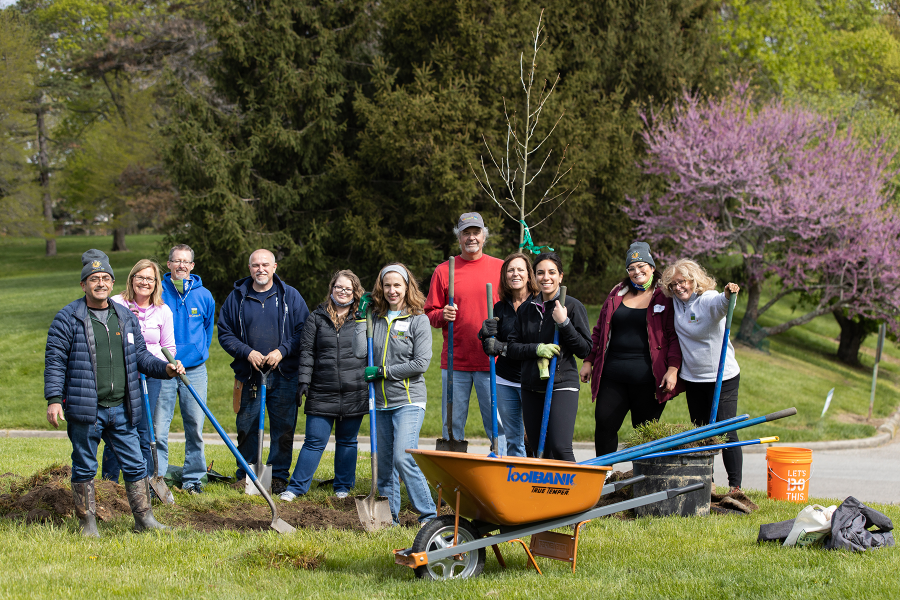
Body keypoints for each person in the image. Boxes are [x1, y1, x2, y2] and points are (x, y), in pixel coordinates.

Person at [44, 249, 185, 537]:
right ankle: (88, 523)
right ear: (83, 284)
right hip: (86, 408)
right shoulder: (67, 318)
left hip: (122, 407)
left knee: (135, 463)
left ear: (112, 283)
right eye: (94, 278)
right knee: (84, 465)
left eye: (106, 278)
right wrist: (54, 399)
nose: (100, 283)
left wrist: (165, 369)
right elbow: (55, 361)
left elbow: (141, 357)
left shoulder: (124, 317)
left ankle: (144, 520)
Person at [218, 249, 309, 495]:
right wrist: (247, 352)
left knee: (283, 429)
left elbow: (304, 331)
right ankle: (246, 474)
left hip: (284, 374)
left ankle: (278, 476)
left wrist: (282, 351)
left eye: (265, 264)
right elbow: (224, 333)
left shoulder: (291, 296)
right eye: (256, 265)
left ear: (275, 267)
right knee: (246, 426)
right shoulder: (236, 297)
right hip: (250, 376)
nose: (261, 269)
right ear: (249, 268)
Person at [580, 242, 684, 456]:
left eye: (642, 265)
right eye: (632, 268)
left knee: (644, 434)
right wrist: (589, 361)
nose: (637, 271)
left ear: (652, 267)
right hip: (612, 375)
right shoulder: (617, 293)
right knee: (604, 425)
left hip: (648, 379)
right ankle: (606, 477)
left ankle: (643, 481)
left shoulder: (664, 296)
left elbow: (674, 336)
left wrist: (673, 369)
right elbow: (600, 329)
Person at [354, 263, 436, 524]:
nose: (392, 290)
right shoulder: (374, 319)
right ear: (381, 287)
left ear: (407, 287)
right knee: (384, 465)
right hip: (379, 402)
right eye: (387, 285)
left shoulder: (418, 320)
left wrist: (383, 371)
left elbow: (420, 363)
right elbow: (359, 352)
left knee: (403, 457)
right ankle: (389, 518)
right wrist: (359, 318)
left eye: (397, 285)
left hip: (408, 400)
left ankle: (428, 514)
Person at [280, 270, 368, 502]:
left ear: (355, 292)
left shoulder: (363, 319)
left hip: (355, 390)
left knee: (347, 441)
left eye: (347, 289)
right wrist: (304, 382)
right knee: (314, 441)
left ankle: (343, 487)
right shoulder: (316, 318)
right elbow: (307, 352)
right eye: (339, 287)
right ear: (332, 288)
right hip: (322, 390)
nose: (342, 292)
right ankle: (296, 488)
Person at [497, 252, 592, 462]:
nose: (546, 277)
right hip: (531, 386)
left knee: (560, 447)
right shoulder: (526, 310)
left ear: (561, 276)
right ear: (534, 277)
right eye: (540, 273)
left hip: (561, 384)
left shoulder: (573, 307)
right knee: (541, 448)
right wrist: (537, 348)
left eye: (551, 272)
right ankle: (548, 493)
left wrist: (564, 323)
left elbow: (585, 349)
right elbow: (512, 348)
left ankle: (576, 493)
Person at [662, 259, 743, 493]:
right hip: (694, 378)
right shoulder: (676, 303)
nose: (679, 288)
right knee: (701, 431)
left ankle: (735, 486)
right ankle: (709, 482)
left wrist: (728, 295)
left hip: (721, 377)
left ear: (694, 280)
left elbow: (721, 304)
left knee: (725, 430)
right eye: (674, 284)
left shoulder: (707, 299)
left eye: (683, 282)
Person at [424, 212, 504, 448]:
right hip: (455, 362)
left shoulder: (500, 268)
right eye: (466, 233)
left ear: (484, 235)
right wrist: (442, 314)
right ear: (458, 237)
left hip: (493, 359)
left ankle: (504, 465)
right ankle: (451, 475)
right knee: (451, 425)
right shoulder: (443, 270)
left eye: (476, 232)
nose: (471, 238)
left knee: (498, 424)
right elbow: (430, 313)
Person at [101, 259, 176, 483]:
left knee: (145, 431)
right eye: (140, 277)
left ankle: (145, 485)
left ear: (156, 283)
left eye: (150, 279)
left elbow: (169, 347)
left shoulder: (163, 310)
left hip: (150, 377)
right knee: (117, 430)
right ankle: (109, 485)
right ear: (132, 279)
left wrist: (152, 363)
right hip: (120, 376)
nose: (144, 282)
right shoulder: (115, 303)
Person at [157, 244, 216, 494]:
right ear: (168, 264)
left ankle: (193, 477)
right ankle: (156, 477)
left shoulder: (204, 296)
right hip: (163, 369)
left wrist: (196, 353)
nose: (181, 265)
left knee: (195, 425)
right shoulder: (158, 292)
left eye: (186, 262)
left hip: (194, 370)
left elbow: (207, 329)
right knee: (158, 427)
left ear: (192, 266)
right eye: (176, 261)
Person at [478, 252, 539, 457]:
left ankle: (536, 479)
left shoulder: (540, 305)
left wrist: (501, 347)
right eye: (510, 270)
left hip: (532, 379)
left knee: (535, 437)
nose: (515, 274)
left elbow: (533, 345)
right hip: (505, 380)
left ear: (529, 275)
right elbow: (491, 342)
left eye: (520, 269)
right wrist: (484, 334)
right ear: (504, 276)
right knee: (513, 439)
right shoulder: (500, 307)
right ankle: (517, 482)